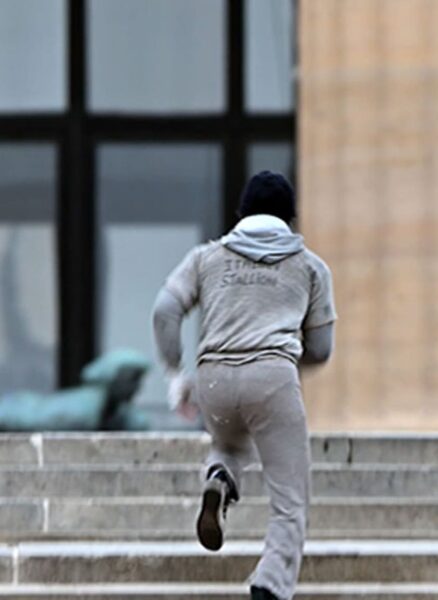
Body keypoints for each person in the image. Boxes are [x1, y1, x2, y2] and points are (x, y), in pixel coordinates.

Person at [152, 171, 336, 600]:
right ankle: (269, 586)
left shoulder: (206, 258)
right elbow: (322, 348)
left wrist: (176, 375)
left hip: (213, 377)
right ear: (290, 218)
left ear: (240, 214)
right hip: (272, 374)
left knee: (230, 443)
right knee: (290, 502)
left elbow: (165, 311)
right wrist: (288, 355)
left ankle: (219, 476)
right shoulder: (310, 266)